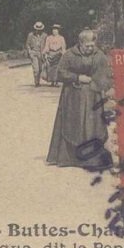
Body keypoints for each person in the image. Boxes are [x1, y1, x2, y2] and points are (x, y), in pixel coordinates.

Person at [46, 29, 113, 170]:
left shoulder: (100, 56)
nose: (90, 48)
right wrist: (77, 78)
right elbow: (60, 73)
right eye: (87, 45)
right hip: (72, 97)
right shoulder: (69, 55)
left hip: (93, 96)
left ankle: (91, 159)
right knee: (72, 124)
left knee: (92, 126)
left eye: (92, 45)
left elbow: (105, 74)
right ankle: (70, 158)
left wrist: (97, 84)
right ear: (80, 43)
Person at [25, 22, 46, 86]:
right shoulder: (30, 35)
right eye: (37, 29)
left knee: (40, 69)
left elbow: (46, 44)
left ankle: (38, 81)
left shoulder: (45, 35)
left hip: (41, 53)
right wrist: (30, 52)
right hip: (34, 53)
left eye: (39, 30)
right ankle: (36, 82)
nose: (38, 31)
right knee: (36, 69)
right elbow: (27, 44)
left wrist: (45, 53)